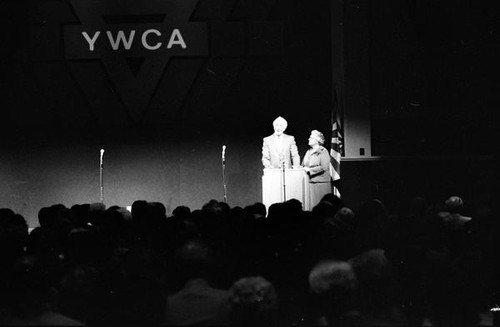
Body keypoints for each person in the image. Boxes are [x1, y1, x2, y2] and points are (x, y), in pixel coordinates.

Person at [302, 130, 331, 208]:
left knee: (322, 207)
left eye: (311, 138)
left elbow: (324, 166)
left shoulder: (323, 151)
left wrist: (310, 170)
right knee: (313, 207)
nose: (309, 139)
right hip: (310, 183)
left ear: (317, 141)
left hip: (321, 183)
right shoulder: (308, 152)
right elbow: (303, 165)